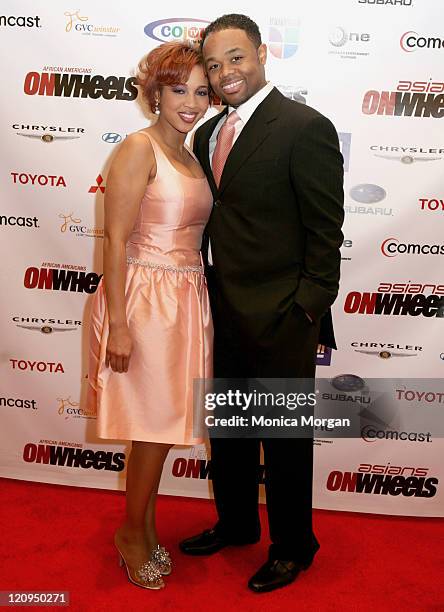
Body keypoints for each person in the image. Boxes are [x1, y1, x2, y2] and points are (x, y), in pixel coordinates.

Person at [179, 15, 344, 593]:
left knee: (285, 442)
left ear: (262, 54)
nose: (226, 73)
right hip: (218, 308)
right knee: (228, 432)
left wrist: (305, 310)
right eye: (215, 64)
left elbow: (326, 232)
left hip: (282, 316)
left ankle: (295, 546)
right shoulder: (205, 134)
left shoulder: (304, 127)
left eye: (236, 58)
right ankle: (237, 523)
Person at [87, 41, 213, 590]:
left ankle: (144, 527)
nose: (191, 102)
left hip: (185, 301)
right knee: (152, 428)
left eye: (201, 92)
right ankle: (131, 535)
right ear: (155, 93)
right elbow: (115, 239)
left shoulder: (190, 153)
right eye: (178, 89)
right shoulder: (140, 148)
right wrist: (118, 322)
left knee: (160, 428)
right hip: (144, 302)